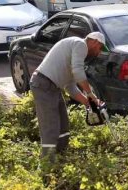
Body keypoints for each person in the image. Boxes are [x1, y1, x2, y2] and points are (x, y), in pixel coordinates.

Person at [30, 32, 106, 160]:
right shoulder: (80, 44)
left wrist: (88, 103)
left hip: (53, 86)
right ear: (94, 42)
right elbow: (78, 71)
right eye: (100, 48)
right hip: (43, 84)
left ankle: (62, 155)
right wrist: (90, 94)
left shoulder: (74, 52)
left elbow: (70, 87)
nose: (99, 53)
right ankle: (47, 163)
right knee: (50, 125)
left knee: (63, 123)